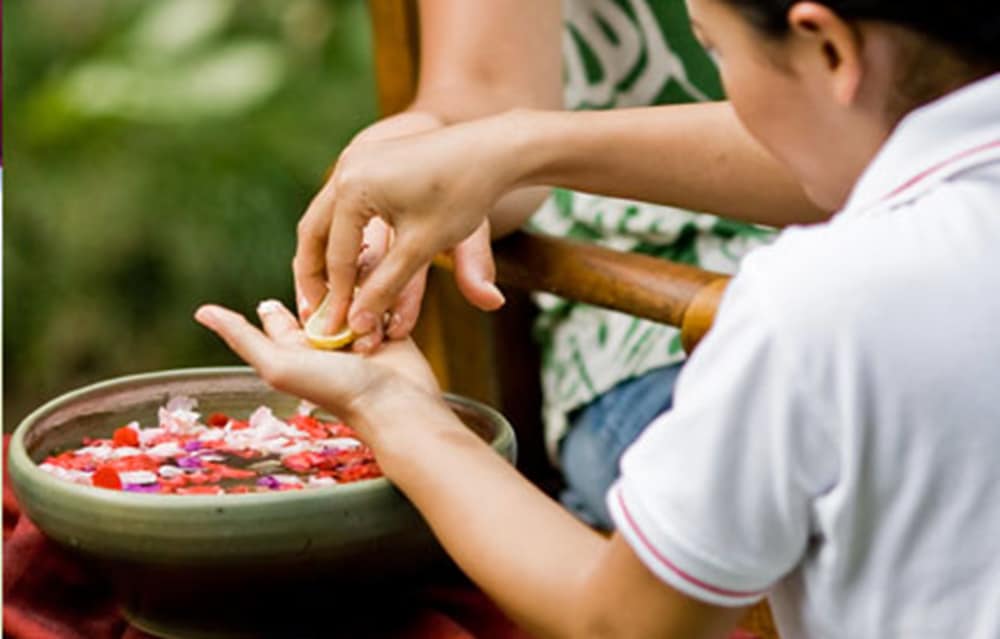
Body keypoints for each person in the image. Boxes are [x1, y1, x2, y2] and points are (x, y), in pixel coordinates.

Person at [198, 0, 1000, 635]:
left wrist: (392, 408)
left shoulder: (802, 311)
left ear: (826, 47)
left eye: (714, 52)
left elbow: (619, 619)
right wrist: (460, 148)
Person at [293, 0, 827, 529]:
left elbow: (851, 147)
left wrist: (518, 148)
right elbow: (481, 95)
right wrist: (423, 141)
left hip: (844, 307)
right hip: (659, 332)